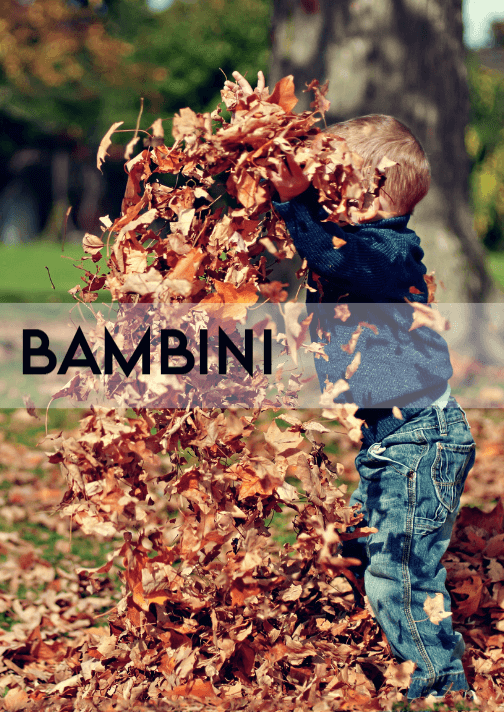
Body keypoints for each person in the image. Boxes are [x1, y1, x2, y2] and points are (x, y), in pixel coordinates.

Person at [226, 71, 477, 702]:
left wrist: (295, 204)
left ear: (367, 194)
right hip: (394, 438)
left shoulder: (385, 252)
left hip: (420, 441)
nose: (319, 192)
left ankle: (441, 688)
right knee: (368, 549)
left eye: (329, 181)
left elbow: (334, 258)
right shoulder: (365, 249)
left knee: (401, 573)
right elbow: (329, 268)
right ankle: (395, 648)